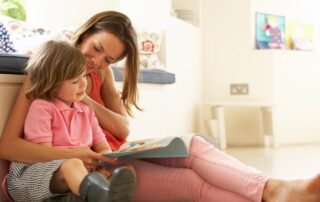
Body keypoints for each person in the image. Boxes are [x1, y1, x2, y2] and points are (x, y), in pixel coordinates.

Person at [1, 10, 320, 202]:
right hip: (95, 166)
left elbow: (122, 129)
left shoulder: (99, 74)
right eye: (95, 49)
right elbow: (10, 146)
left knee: (191, 145)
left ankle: (274, 187)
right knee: (194, 187)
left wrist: (86, 100)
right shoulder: (48, 74)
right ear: (85, 33)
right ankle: (276, 194)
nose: (96, 62)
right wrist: (80, 152)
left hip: (110, 154)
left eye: (108, 59)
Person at [3, 40, 136, 202]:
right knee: (72, 165)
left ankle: (97, 192)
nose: (83, 84)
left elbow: (102, 148)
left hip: (68, 175)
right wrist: (81, 162)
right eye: (75, 81)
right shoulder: (42, 108)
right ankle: (97, 195)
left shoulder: (86, 111)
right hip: (33, 175)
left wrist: (103, 164)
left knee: (110, 170)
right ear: (53, 85)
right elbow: (46, 156)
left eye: (83, 76)